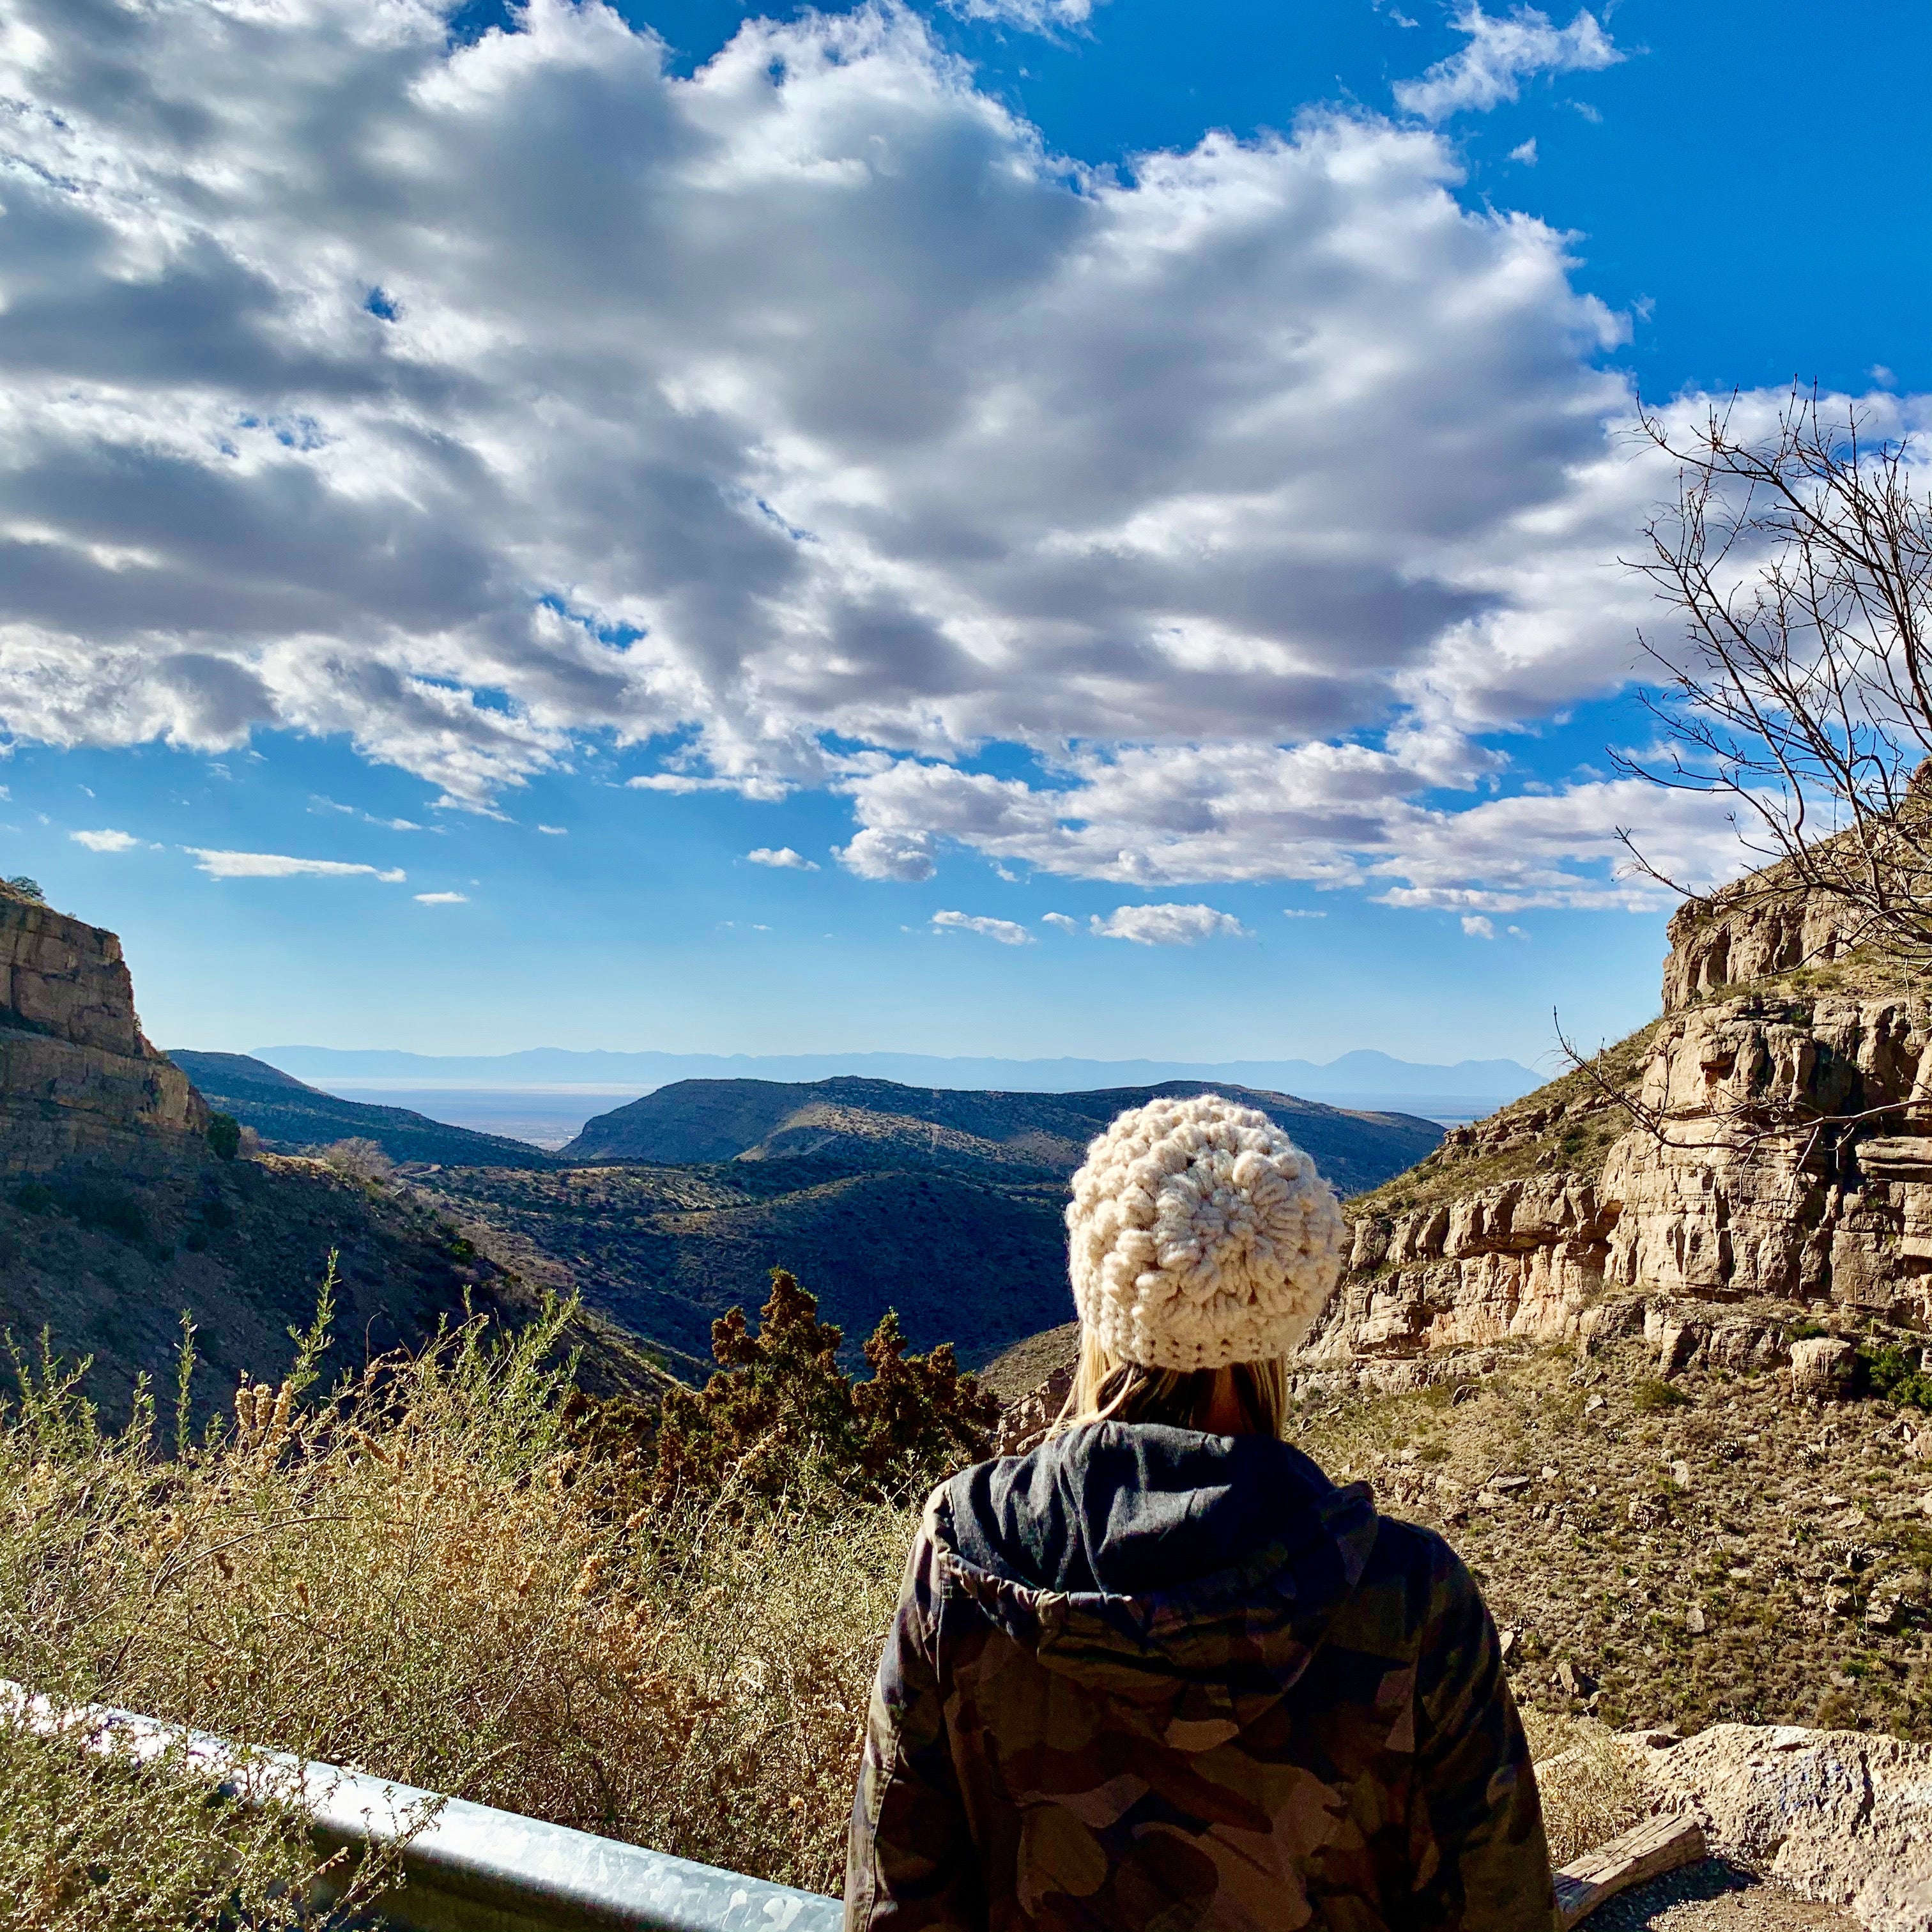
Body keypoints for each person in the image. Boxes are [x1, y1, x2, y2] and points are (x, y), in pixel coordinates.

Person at [845, 1093, 1556, 1932]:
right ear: (1288, 1307)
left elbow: (891, 1905)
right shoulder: (1408, 1595)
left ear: (1098, 1295)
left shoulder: (965, 1552)